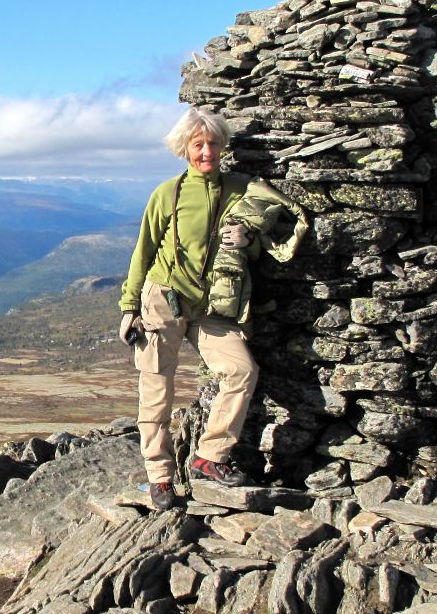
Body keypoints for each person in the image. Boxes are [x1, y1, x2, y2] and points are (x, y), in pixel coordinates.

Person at [118, 107, 309, 511]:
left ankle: (210, 457)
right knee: (157, 389)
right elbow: (144, 250)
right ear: (184, 148)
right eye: (198, 144)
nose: (207, 151)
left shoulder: (243, 189)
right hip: (163, 298)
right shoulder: (167, 193)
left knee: (242, 370)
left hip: (214, 303)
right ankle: (160, 478)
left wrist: (248, 241)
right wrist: (129, 306)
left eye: (213, 144)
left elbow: (271, 237)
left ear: (223, 147)